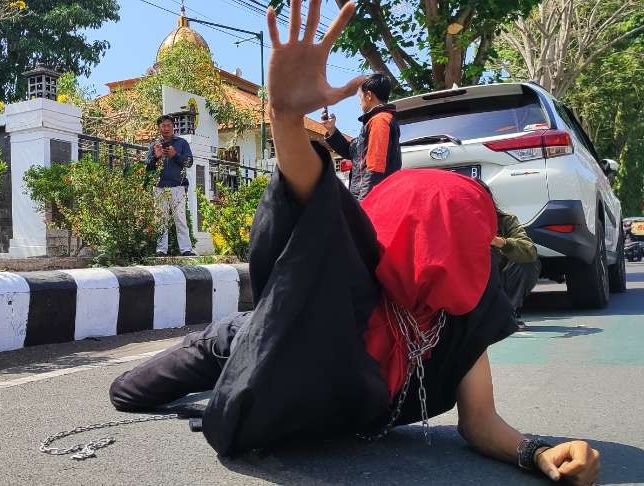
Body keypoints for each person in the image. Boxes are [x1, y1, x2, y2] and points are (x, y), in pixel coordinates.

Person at [109, 2, 599, 484]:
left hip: (311, 393)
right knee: (129, 390)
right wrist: (283, 117)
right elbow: (310, 194)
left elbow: (481, 423)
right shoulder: (353, 269)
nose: (456, 252)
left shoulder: (460, 318)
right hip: (252, 343)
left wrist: (537, 453)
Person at [322, 73, 401, 200]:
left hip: (373, 199)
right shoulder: (375, 121)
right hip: (368, 196)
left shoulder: (380, 121)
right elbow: (353, 153)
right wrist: (331, 129)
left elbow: (375, 167)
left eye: (360, 97)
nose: (359, 102)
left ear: (368, 95)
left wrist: (364, 204)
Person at [480, 182, 541, 331]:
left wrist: (499, 242)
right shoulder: (454, 221)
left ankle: (507, 314)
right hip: (471, 284)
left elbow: (529, 250)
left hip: (499, 281)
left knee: (527, 261)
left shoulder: (506, 220)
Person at [146, 115, 195, 257]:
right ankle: (161, 250)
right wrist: (156, 157)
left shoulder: (182, 143)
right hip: (159, 186)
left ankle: (186, 249)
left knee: (180, 218)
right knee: (161, 219)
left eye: (168, 125)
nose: (165, 128)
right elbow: (148, 168)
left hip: (177, 186)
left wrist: (175, 155)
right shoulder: (154, 145)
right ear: (159, 128)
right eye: (162, 126)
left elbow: (189, 163)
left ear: (173, 127)